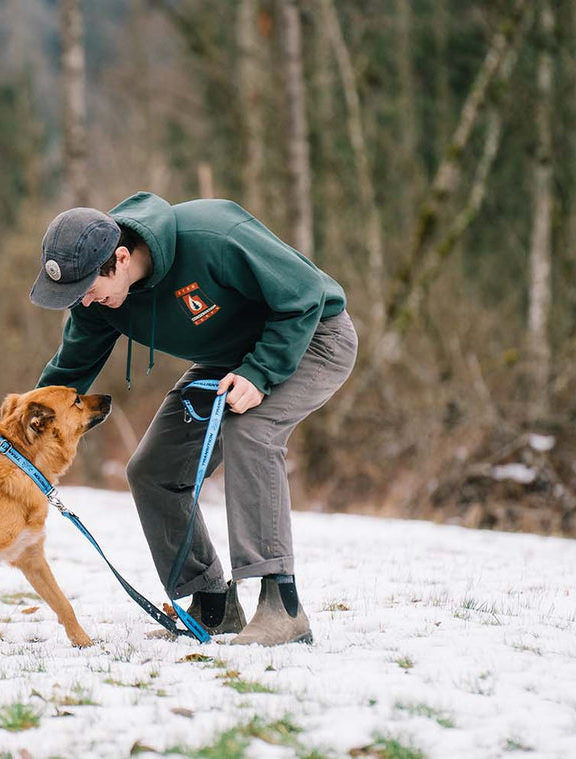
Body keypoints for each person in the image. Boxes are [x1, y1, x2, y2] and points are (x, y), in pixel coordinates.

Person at [28, 192, 357, 646]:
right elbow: (68, 374)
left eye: (86, 290)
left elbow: (305, 296)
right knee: (152, 470)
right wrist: (16, 441)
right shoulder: (101, 304)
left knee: (251, 429)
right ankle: (213, 604)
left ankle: (283, 606)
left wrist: (260, 373)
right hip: (228, 361)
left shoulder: (212, 235)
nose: (84, 304)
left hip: (312, 336)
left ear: (119, 259)